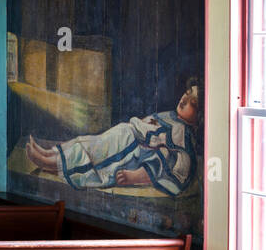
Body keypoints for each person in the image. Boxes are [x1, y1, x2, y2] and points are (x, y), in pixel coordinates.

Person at [24, 78, 200, 195]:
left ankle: (53, 162)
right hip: (128, 136)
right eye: (187, 92)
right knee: (93, 142)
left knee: (97, 154)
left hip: (133, 153)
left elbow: (166, 162)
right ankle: (51, 155)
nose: (184, 99)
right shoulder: (171, 117)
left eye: (192, 101)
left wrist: (136, 176)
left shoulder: (182, 134)